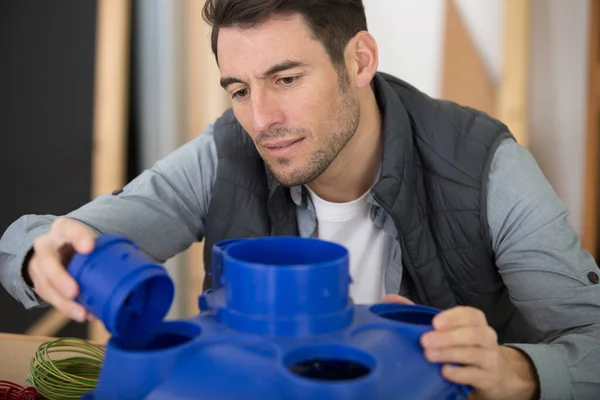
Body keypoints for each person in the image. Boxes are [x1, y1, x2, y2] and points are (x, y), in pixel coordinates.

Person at [1, 0, 599, 398]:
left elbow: (592, 345)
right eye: (239, 89)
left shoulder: (485, 165)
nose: (261, 120)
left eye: (286, 79)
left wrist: (518, 373)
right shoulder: (225, 152)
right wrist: (42, 253)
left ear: (359, 60)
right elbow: (42, 237)